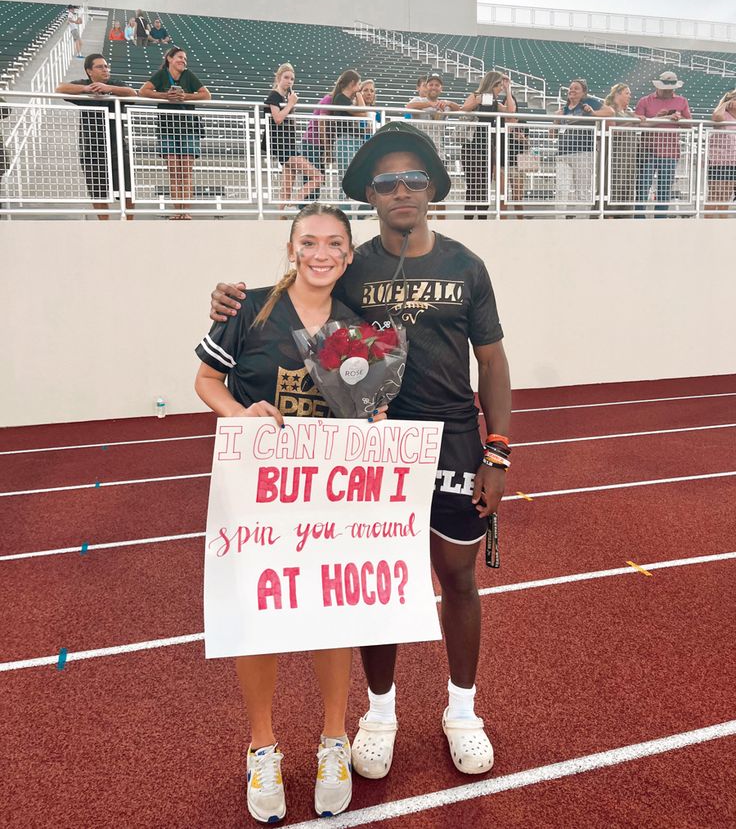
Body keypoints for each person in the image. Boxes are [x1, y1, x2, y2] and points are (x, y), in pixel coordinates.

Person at [208, 122, 512, 782]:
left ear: (432, 189)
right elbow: (301, 295)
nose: (401, 190)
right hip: (371, 448)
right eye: (386, 182)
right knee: (381, 585)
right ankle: (379, 713)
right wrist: (231, 300)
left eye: (413, 180)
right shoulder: (356, 263)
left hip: (455, 439)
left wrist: (498, 451)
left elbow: (492, 361)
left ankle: (463, 711)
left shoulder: (466, 265)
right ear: (370, 196)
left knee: (457, 577)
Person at [195, 203, 386, 824]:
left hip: (326, 497)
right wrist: (238, 414)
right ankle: (262, 747)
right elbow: (205, 382)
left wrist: (372, 421)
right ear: (291, 248)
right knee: (262, 617)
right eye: (309, 242)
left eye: (334, 243)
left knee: (329, 615)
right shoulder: (249, 308)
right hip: (256, 491)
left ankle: (334, 741)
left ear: (349, 254)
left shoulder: (357, 328)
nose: (321, 253)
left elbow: (358, 409)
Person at [56, 55, 137, 220]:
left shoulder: (116, 84)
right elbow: (60, 89)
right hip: (91, 150)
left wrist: (109, 89)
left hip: (117, 148)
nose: (105, 69)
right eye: (100, 67)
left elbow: (132, 93)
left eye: (106, 66)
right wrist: (85, 90)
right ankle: (104, 227)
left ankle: (129, 225)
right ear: (89, 71)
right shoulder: (84, 85)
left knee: (127, 191)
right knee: (98, 193)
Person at [139, 46, 211, 218]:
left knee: (186, 171)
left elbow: (206, 95)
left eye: (185, 59)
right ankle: (176, 211)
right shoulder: (162, 75)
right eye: (179, 57)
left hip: (189, 129)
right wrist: (166, 96)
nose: (183, 61)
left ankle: (185, 212)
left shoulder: (188, 75)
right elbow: (143, 91)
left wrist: (185, 96)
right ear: (169, 59)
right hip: (167, 128)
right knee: (173, 170)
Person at [263, 63, 324, 206]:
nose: (289, 81)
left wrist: (290, 103)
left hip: (288, 144)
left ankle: (281, 216)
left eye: (292, 79)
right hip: (282, 145)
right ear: (278, 78)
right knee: (317, 176)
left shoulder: (285, 97)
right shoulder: (274, 95)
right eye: (286, 77)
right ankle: (294, 202)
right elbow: (277, 118)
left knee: (287, 187)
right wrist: (291, 104)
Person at [460, 71, 517, 218]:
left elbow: (511, 111)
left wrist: (508, 88)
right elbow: (464, 109)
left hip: (487, 147)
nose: (500, 89)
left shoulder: (495, 103)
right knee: (473, 185)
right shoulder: (476, 95)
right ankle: (469, 220)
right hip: (472, 146)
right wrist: (478, 101)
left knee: (485, 185)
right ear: (492, 84)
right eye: (499, 86)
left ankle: (482, 219)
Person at [634, 71, 692, 217]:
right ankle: (638, 217)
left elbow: (689, 124)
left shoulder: (682, 101)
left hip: (670, 151)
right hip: (648, 151)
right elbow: (637, 124)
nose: (669, 91)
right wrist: (659, 117)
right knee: (642, 187)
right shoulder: (645, 101)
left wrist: (679, 119)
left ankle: (660, 219)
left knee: (664, 189)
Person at [555, 79, 612, 216]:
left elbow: (610, 111)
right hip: (563, 154)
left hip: (584, 153)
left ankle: (581, 220)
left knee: (582, 190)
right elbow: (553, 133)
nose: (572, 90)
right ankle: (559, 219)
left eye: (576, 88)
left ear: (584, 92)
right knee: (561, 189)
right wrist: (556, 120)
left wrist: (593, 114)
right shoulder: (564, 108)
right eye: (570, 88)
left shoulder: (589, 103)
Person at [603, 83, 640, 215]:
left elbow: (645, 123)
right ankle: (609, 216)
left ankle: (625, 216)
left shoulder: (629, 113)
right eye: (627, 93)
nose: (629, 96)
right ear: (617, 94)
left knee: (628, 187)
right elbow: (612, 130)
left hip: (630, 157)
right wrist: (633, 122)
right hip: (616, 156)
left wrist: (664, 117)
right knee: (614, 185)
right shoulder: (609, 110)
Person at [706, 89, 736, 217]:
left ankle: (721, 223)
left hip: (733, 162)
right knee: (715, 194)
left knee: (726, 194)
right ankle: (707, 222)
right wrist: (725, 103)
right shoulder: (724, 115)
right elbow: (716, 116)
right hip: (720, 161)